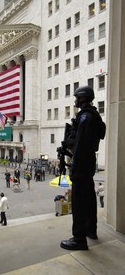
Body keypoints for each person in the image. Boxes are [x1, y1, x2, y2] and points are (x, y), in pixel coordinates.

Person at [60, 85, 106, 251]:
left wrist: (75, 166)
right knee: (88, 197)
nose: (75, 100)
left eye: (77, 97)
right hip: (87, 162)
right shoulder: (91, 116)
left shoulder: (86, 117)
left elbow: (81, 145)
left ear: (83, 98)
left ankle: (79, 238)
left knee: (79, 201)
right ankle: (90, 230)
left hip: (83, 163)